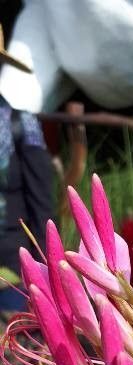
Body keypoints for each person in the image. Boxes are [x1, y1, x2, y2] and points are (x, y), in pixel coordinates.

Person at [0, 25, 54, 311]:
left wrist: (49, 274)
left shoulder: (22, 125)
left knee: (15, 347)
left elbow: (42, 202)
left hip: (13, 265)